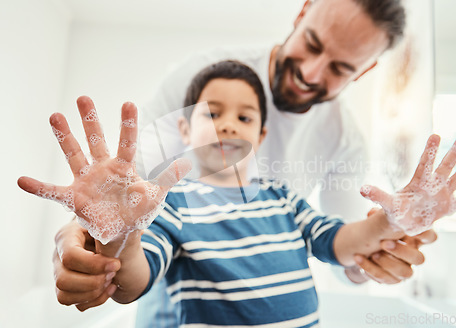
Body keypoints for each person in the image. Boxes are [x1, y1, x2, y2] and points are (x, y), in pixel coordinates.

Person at [18, 60, 456, 326]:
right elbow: (132, 284)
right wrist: (121, 236)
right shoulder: (171, 205)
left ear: (262, 136)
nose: (228, 123)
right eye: (212, 113)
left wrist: (392, 222)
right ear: (185, 128)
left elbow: (342, 242)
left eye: (244, 117)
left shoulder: (283, 198)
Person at [50, 0, 436, 319]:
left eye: (340, 68)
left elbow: (344, 242)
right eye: (313, 44)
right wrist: (96, 232)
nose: (310, 72)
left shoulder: (329, 156)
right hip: (176, 293)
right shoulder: (202, 79)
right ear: (301, 14)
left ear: (365, 70)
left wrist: (382, 239)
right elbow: (124, 191)